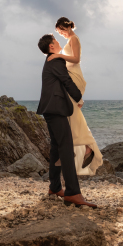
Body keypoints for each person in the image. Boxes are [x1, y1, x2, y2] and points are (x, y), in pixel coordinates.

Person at [37, 33, 97, 208]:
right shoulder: (55, 61)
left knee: (56, 148)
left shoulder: (50, 60)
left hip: (52, 108)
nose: (58, 42)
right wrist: (78, 98)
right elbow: (66, 80)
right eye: (55, 41)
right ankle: (72, 193)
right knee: (66, 148)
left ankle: (55, 187)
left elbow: (60, 83)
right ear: (51, 46)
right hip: (55, 109)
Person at [47, 17, 104, 175]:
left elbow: (76, 59)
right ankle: (83, 148)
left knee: (70, 112)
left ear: (66, 27)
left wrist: (59, 57)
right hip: (69, 76)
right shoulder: (70, 39)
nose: (61, 34)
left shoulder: (74, 39)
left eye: (61, 31)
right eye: (58, 33)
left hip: (75, 77)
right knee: (71, 113)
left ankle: (83, 148)